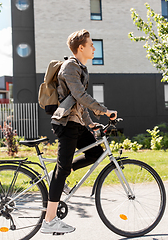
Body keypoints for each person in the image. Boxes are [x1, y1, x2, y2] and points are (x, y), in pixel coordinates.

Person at [40, 29, 117, 235]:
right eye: (91, 45)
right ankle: (49, 221)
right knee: (61, 169)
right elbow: (79, 95)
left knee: (95, 153)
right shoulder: (70, 67)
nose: (94, 48)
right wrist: (104, 110)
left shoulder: (81, 68)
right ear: (80, 48)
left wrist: (90, 123)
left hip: (75, 122)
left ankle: (61, 176)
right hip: (66, 124)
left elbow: (77, 104)